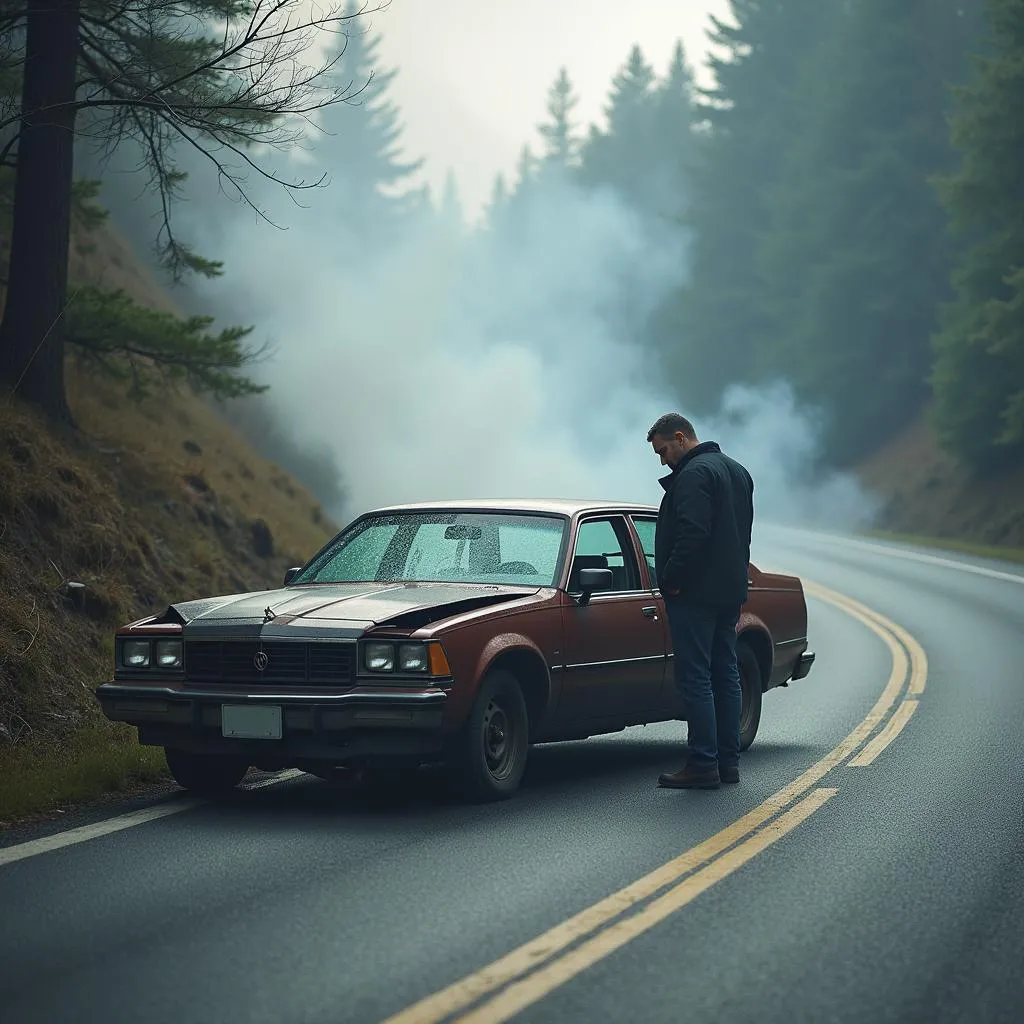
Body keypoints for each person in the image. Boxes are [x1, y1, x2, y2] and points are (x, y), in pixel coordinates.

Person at [647, 412, 754, 790]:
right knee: (725, 674)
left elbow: (693, 533)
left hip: (695, 594)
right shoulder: (737, 471)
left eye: (663, 451)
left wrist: (672, 578)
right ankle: (728, 763)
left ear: (680, 437)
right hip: (729, 592)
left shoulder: (694, 475)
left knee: (695, 678)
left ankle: (702, 763)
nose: (663, 460)